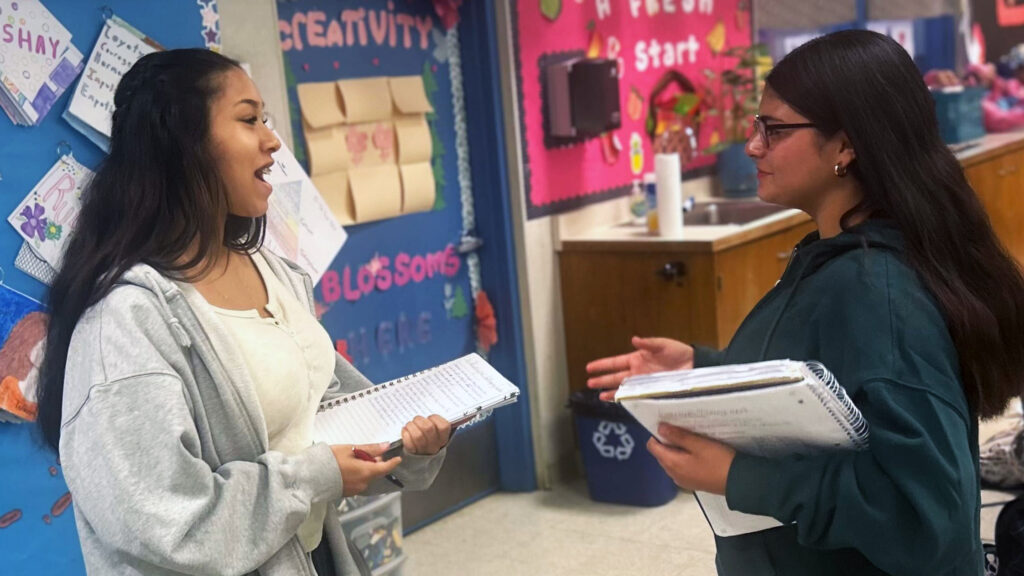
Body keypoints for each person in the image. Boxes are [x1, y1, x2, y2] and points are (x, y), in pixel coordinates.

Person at [587, 30, 1024, 576]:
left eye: (775, 129)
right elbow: (824, 386)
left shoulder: (877, 291)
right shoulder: (840, 257)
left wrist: (741, 477)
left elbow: (926, 516)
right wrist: (702, 368)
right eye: (755, 127)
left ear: (845, 145)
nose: (753, 147)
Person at [35, 49, 452, 576]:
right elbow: (166, 522)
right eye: (249, 119)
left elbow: (318, 408)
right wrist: (312, 479)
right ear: (184, 143)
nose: (272, 140)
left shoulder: (276, 273)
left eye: (267, 120)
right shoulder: (125, 320)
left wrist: (405, 444)